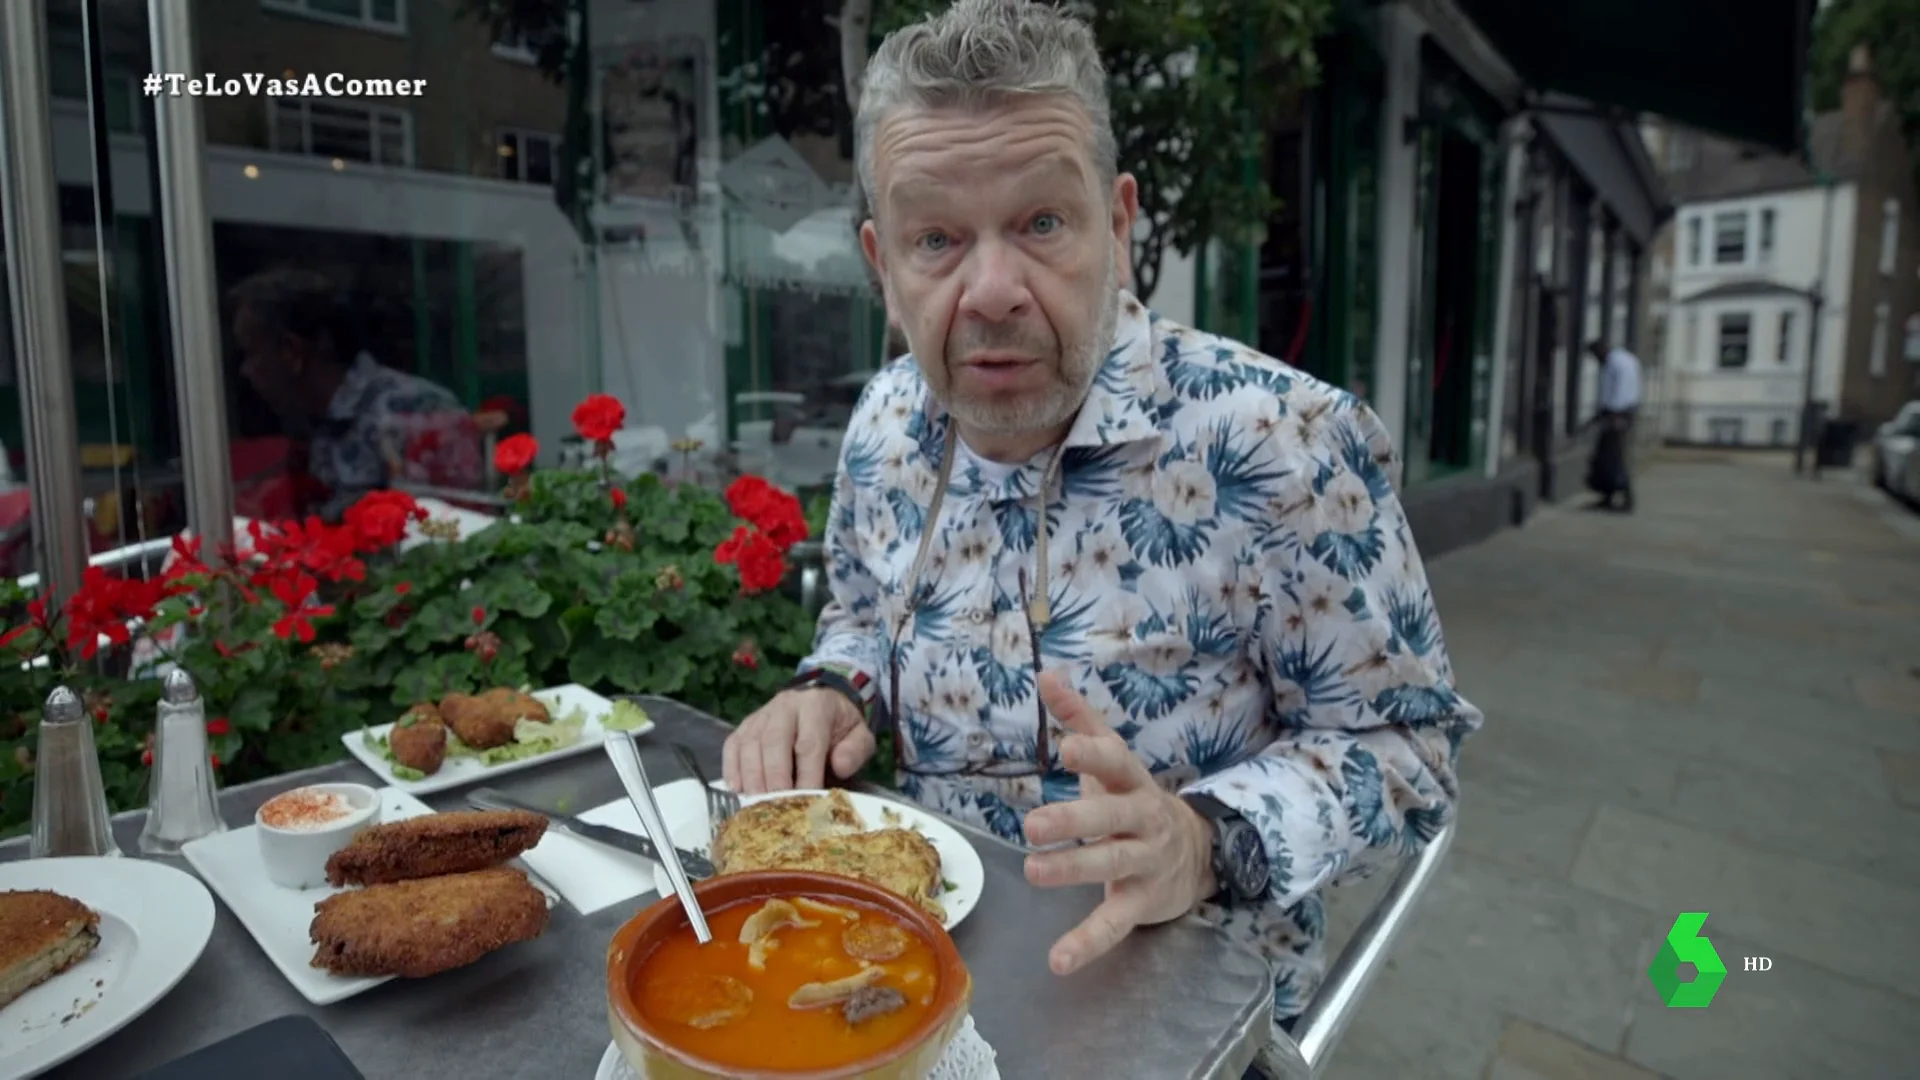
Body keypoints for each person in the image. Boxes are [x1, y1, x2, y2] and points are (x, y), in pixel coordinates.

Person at [720, 0, 1482, 1056]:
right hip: (899, 985)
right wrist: (832, 689)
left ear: (1118, 226)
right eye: (936, 238)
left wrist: (1202, 841)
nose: (990, 293)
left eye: (1041, 223)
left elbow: (1410, 751)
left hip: (1183, 1025)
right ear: (880, 265)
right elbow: (858, 614)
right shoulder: (885, 423)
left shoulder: (1285, 441)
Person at [228, 267, 483, 520]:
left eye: (250, 352)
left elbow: (454, 532)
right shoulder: (308, 424)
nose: (245, 371)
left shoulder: (413, 412)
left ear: (290, 351)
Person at [1585, 338, 1643, 511]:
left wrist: (1614, 415)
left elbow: (1621, 391)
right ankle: (1607, 496)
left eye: (1596, 356)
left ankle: (1626, 498)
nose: (1597, 361)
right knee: (1606, 457)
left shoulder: (1618, 363)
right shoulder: (1622, 360)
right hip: (1617, 413)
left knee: (1615, 457)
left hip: (1618, 415)